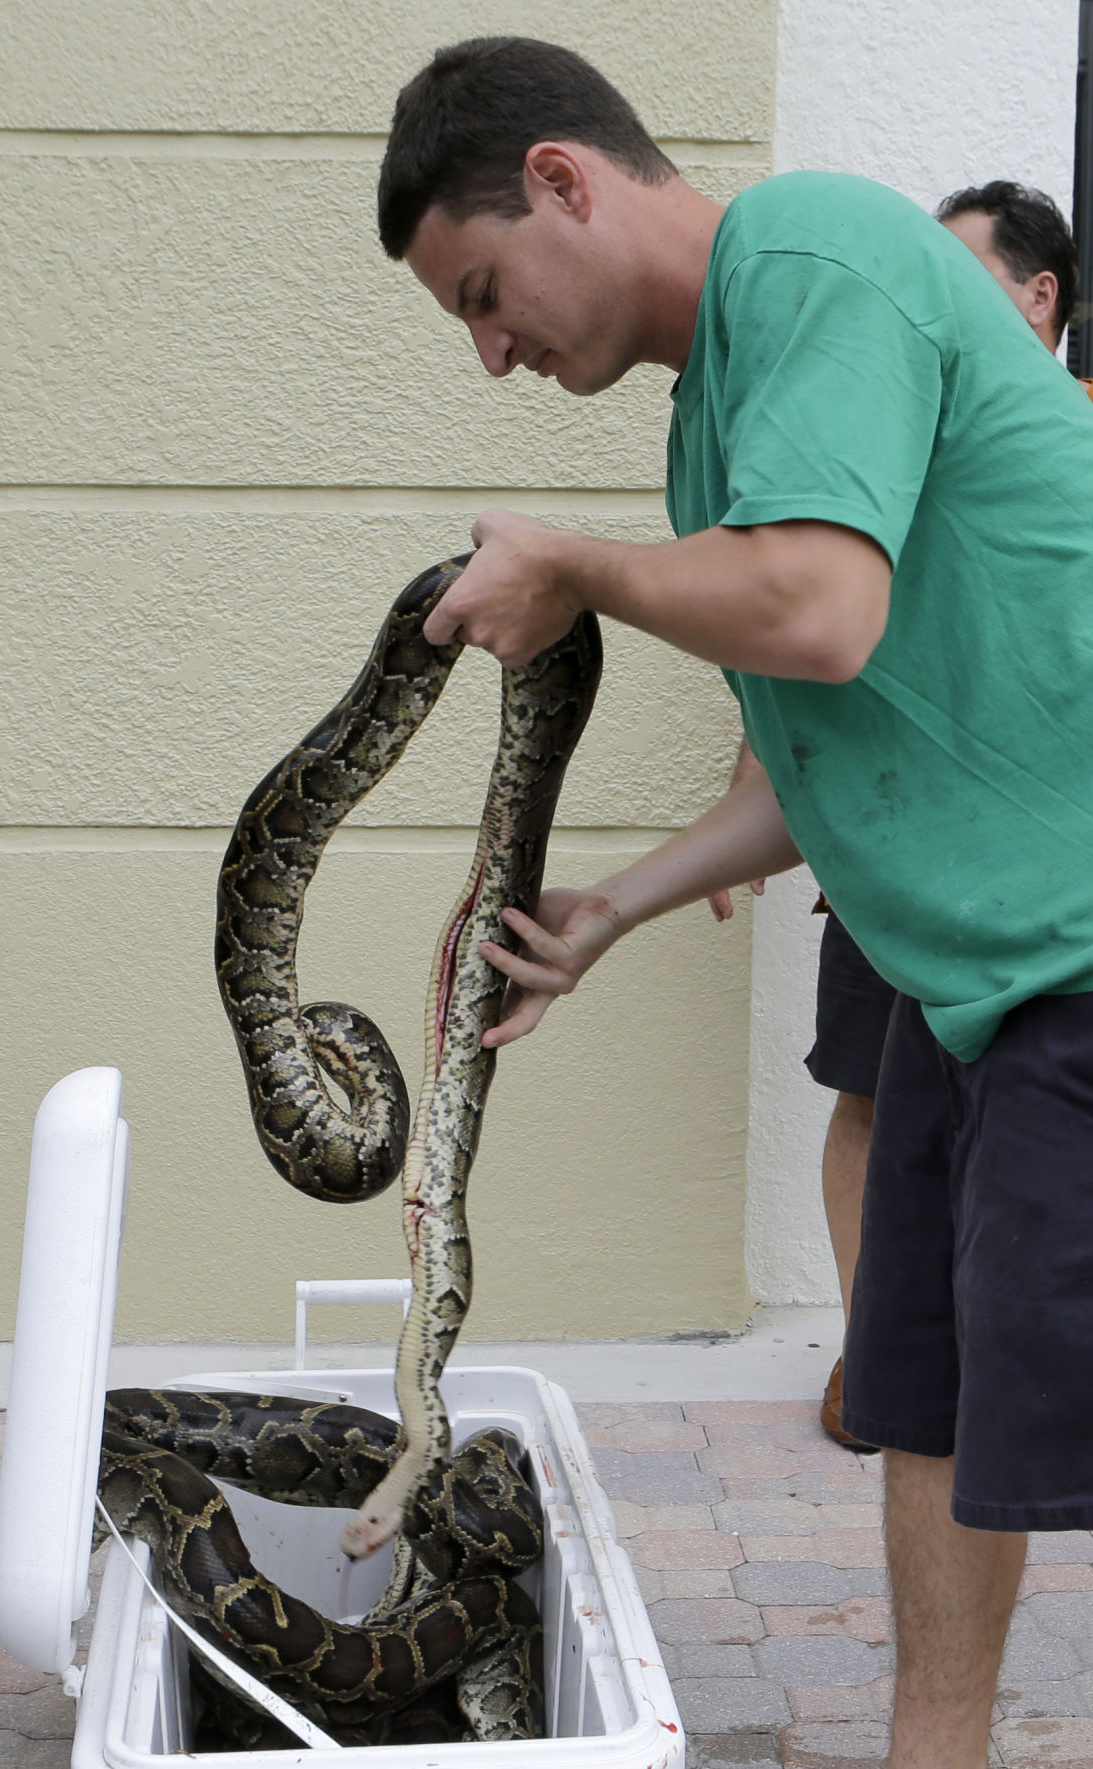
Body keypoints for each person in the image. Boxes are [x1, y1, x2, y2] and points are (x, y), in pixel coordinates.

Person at [377, 38, 1093, 1769]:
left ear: (563, 178)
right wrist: (610, 909)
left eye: (483, 293)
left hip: (1076, 951)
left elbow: (817, 610)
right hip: (956, 972)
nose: (491, 353)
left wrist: (574, 561)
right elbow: (812, 760)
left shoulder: (817, 253)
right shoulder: (722, 417)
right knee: (920, 1408)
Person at [711, 179, 1090, 1455]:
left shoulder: (1065, 440)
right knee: (869, 1091)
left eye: (959, 276)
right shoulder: (890, 420)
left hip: (1037, 884)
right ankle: (884, 1350)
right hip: (885, 865)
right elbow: (824, 641)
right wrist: (748, 786)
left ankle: (988, 1369)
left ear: (1038, 298)